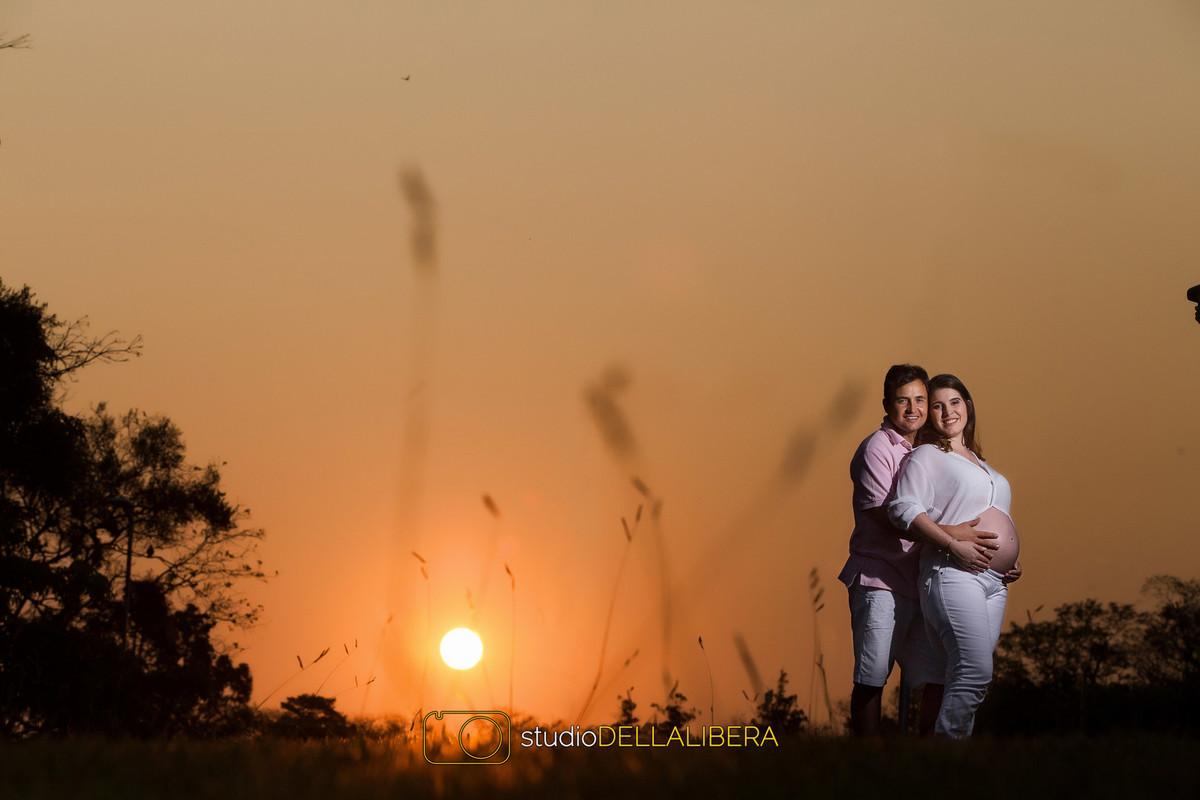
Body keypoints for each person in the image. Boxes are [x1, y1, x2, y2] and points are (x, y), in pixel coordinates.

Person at [838, 365, 997, 736]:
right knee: (872, 677)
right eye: (902, 400)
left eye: (920, 400)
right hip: (881, 579)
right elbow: (883, 515)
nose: (913, 408)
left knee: (936, 678)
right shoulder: (877, 448)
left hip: (922, 580)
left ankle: (925, 762)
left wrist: (999, 555)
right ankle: (869, 767)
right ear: (886, 405)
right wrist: (951, 536)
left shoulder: (931, 448)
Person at [889, 374, 1021, 739]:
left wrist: (1008, 556)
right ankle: (944, 759)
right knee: (975, 671)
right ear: (929, 415)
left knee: (963, 676)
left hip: (994, 584)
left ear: (968, 405)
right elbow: (902, 509)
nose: (948, 411)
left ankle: (948, 763)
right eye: (937, 405)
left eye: (955, 402)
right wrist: (953, 544)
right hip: (952, 572)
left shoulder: (981, 463)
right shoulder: (927, 455)